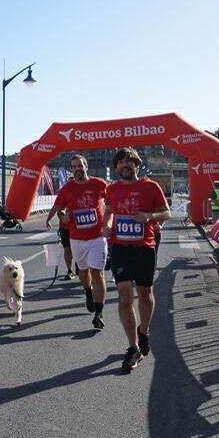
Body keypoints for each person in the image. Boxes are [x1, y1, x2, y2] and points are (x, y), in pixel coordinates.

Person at [103, 147, 170, 371]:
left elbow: (166, 212)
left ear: (136, 165)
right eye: (120, 163)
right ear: (116, 168)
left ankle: (144, 330)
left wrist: (149, 216)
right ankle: (133, 347)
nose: (125, 165)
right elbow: (110, 210)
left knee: (145, 293)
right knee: (124, 297)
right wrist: (108, 225)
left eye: (129, 162)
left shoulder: (151, 186)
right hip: (120, 247)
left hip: (144, 248)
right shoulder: (112, 189)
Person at [46, 154, 108, 330]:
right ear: (71, 170)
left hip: (97, 237)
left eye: (80, 165)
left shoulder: (99, 184)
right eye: (74, 167)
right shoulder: (67, 189)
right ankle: (88, 291)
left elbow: (112, 202)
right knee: (83, 271)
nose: (77, 169)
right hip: (77, 239)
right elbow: (58, 208)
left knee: (98, 273)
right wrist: (55, 218)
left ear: (86, 166)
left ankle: (99, 313)